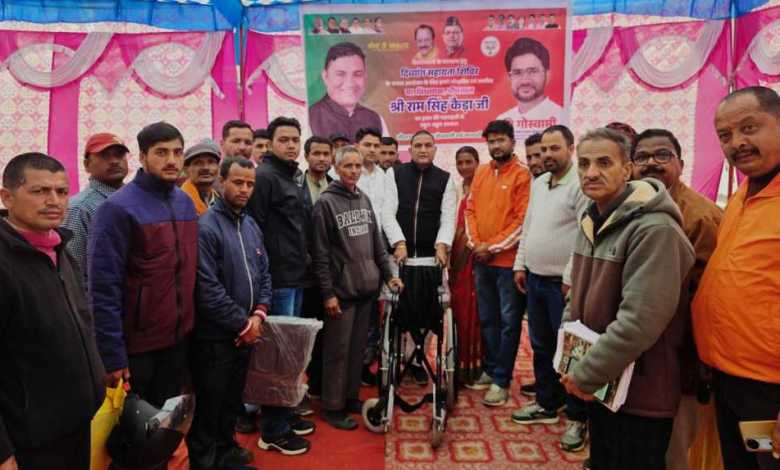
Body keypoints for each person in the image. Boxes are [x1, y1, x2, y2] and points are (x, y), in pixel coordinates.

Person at [560, 127, 695, 469]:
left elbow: (640, 320)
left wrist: (587, 372)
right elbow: (576, 297)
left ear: (627, 169)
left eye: (604, 163)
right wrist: (572, 359)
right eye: (584, 164)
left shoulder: (655, 229)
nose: (591, 173)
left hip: (641, 394)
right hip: (603, 385)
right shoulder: (593, 218)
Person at [693, 86, 780, 470]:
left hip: (768, 390)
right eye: (725, 135)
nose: (737, 143)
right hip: (730, 378)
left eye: (749, 128)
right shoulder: (746, 191)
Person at [0, 153, 105, 470]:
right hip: (30, 438)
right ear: (7, 197)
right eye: (40, 191)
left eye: (61, 191)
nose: (54, 201)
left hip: (76, 423)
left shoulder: (59, 249)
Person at [630, 128, 723, 470]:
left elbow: (703, 296)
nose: (651, 164)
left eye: (662, 155)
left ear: (681, 164)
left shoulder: (699, 216)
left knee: (675, 447)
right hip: (637, 345)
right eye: (641, 157)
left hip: (679, 353)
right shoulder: (631, 205)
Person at [89, 122, 197, 410]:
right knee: (135, 426)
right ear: (142, 157)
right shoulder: (117, 209)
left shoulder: (186, 203)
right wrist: (112, 355)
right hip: (136, 347)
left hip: (179, 341)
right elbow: (102, 289)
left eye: (177, 152)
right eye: (161, 152)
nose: (172, 160)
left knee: (167, 422)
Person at [187, 157, 273, 469]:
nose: (244, 189)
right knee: (209, 407)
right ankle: (205, 462)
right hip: (215, 336)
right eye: (238, 182)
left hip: (246, 332)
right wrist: (242, 324)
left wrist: (258, 315)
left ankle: (226, 453)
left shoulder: (250, 225)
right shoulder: (206, 226)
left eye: (250, 184)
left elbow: (265, 274)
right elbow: (206, 288)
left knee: (231, 401)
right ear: (221, 182)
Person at [510, 125, 590, 452]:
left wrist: (570, 276)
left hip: (564, 285)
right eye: (543, 150)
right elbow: (529, 226)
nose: (547, 155)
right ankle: (547, 402)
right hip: (535, 279)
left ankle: (577, 417)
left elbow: (586, 234)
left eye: (555, 148)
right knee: (541, 346)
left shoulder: (580, 185)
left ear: (571, 149)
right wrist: (520, 263)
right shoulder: (540, 182)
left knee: (571, 352)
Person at [311, 145, 403, 430]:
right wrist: (328, 293)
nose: (353, 171)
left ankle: (349, 397)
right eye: (347, 166)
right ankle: (332, 406)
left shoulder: (363, 198)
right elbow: (320, 254)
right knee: (337, 351)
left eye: (357, 166)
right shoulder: (325, 204)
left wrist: (389, 276)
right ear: (336, 168)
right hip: (341, 292)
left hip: (366, 289)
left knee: (357, 349)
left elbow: (377, 245)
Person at [245, 116, 316, 453]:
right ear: (271, 143)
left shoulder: (292, 176)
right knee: (277, 355)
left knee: (292, 354)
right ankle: (273, 430)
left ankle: (285, 415)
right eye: (284, 139)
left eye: (295, 139)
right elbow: (254, 230)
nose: (290, 145)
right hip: (277, 280)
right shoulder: (265, 177)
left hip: (296, 275)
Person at [465, 120, 531, 407]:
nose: (496, 145)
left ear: (512, 142)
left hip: (507, 263)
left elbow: (521, 221)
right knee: (487, 319)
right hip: (482, 260)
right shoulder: (481, 171)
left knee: (508, 322)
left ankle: (502, 380)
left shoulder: (522, 175)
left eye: (501, 140)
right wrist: (475, 244)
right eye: (491, 141)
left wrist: (490, 247)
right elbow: (470, 210)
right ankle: (491, 369)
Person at [383, 130, 457, 386]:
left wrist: (443, 245)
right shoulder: (395, 174)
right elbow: (387, 213)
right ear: (410, 149)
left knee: (429, 311)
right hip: (401, 257)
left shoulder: (445, 179)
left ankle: (416, 361)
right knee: (398, 310)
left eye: (428, 145)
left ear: (434, 149)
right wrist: (398, 242)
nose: (423, 149)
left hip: (430, 259)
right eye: (418, 145)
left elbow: (448, 217)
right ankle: (395, 356)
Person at [63, 132, 129, 280]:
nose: (114, 161)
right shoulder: (80, 208)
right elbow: (73, 272)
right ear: (87, 165)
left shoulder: (136, 199)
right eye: (105, 155)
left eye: (119, 155)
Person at [301, 136, 334, 400]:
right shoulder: (295, 186)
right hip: (303, 273)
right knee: (305, 332)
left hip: (331, 272)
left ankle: (320, 384)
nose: (322, 158)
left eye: (326, 154)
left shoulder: (335, 187)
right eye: (317, 153)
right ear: (307, 156)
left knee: (327, 332)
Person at [450, 146, 483, 385]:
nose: (464, 167)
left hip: (478, 256)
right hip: (458, 258)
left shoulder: (483, 188)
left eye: (468, 162)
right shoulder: (455, 189)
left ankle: (477, 365)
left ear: (477, 162)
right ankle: (459, 363)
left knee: (478, 310)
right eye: (460, 163)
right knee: (459, 308)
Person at [309, 42, 387, 142]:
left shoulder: (375, 119)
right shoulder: (310, 117)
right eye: (340, 74)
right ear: (325, 77)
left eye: (357, 74)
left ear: (365, 77)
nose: (350, 83)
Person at [498, 37, 566, 142]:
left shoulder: (561, 117)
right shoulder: (501, 121)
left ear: (547, 74)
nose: (525, 81)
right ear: (509, 78)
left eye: (533, 71)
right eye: (517, 73)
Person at [181, 138, 221, 216]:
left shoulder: (220, 201)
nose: (206, 168)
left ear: (218, 168)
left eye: (211, 162)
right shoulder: (180, 202)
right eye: (198, 163)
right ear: (186, 170)